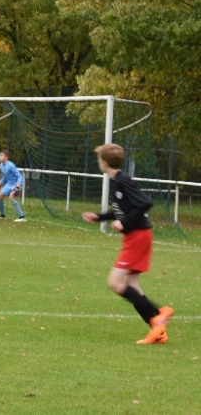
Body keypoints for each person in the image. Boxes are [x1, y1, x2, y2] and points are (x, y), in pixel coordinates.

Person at [82, 143, 174, 344]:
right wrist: (98, 217)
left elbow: (144, 203)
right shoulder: (119, 182)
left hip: (138, 236)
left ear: (104, 162)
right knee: (132, 285)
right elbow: (120, 210)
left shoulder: (123, 181)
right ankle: (158, 326)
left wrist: (125, 222)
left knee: (115, 282)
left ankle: (158, 315)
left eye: (99, 159)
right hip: (137, 235)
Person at [0, 150, 26, 221]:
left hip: (17, 183)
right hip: (10, 183)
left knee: (11, 197)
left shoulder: (11, 165)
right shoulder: (1, 165)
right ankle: (2, 215)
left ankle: (22, 217)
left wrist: (17, 187)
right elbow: (5, 176)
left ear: (6, 157)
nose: (0, 157)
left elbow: (20, 176)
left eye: (2, 155)